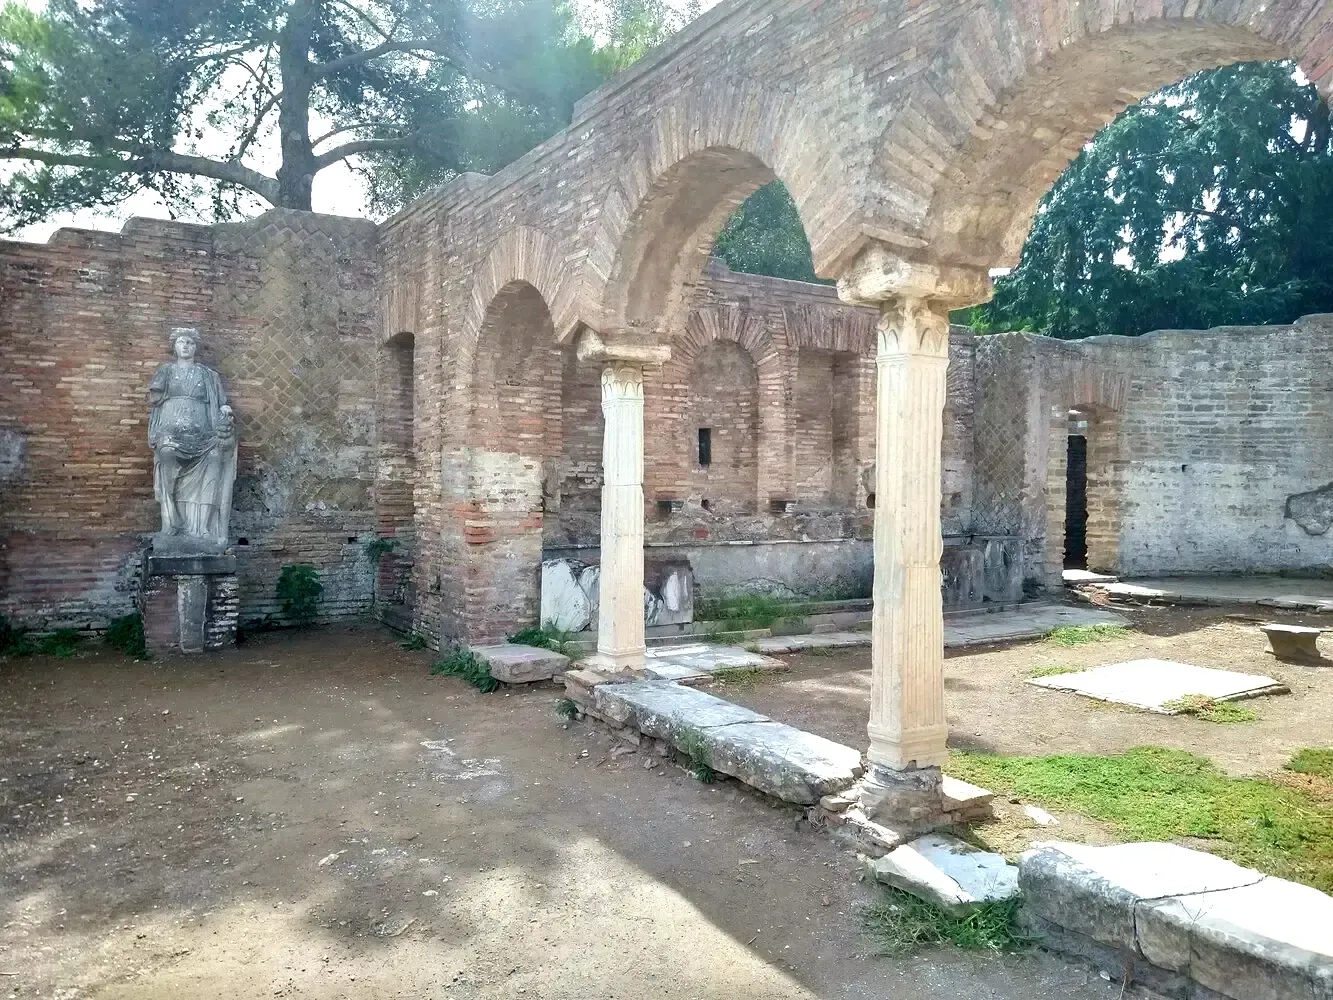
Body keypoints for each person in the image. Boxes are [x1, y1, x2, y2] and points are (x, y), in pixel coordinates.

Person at [148, 328, 236, 543]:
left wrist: (225, 410)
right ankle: (171, 520)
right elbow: (155, 400)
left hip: (203, 431)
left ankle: (202, 527)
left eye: (189, 342)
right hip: (171, 430)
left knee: (215, 458)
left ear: (195, 347)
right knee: (167, 454)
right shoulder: (165, 371)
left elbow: (219, 402)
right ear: (175, 347)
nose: (185, 346)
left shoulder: (208, 375)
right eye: (181, 342)